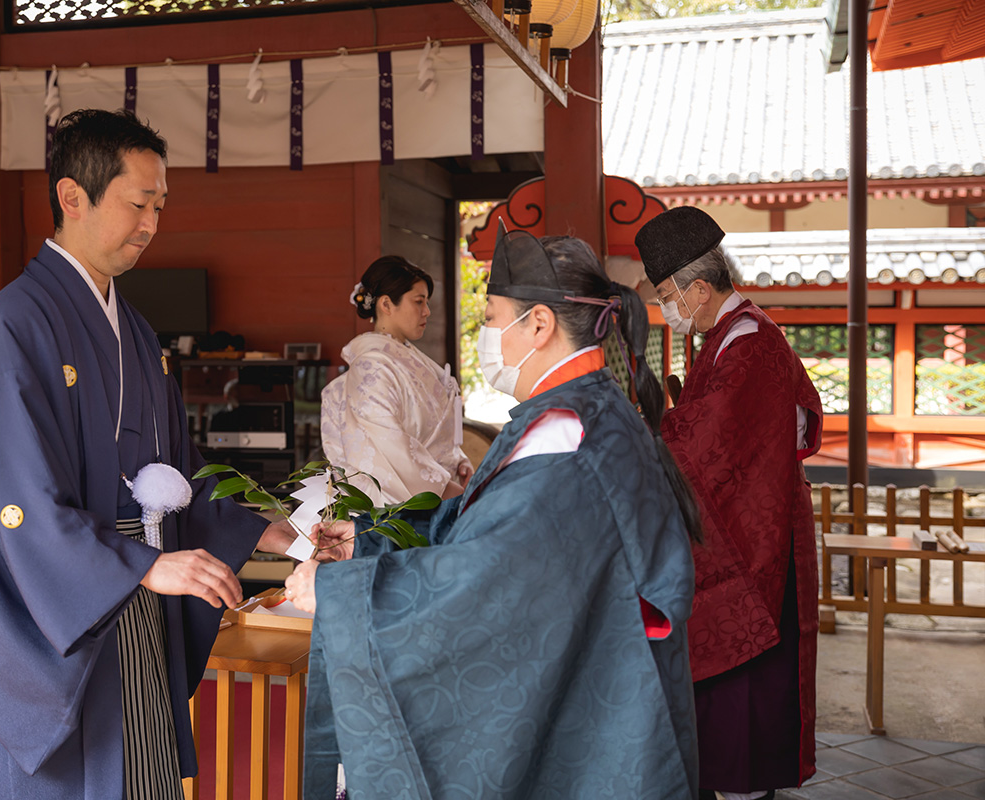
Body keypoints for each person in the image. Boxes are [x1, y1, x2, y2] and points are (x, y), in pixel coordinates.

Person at [0, 108, 297, 800]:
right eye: (138, 203)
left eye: (159, 206)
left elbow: (181, 472)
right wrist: (141, 565)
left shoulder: (135, 331)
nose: (151, 224)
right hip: (66, 613)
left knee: (139, 774)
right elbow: (17, 505)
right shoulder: (11, 327)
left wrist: (270, 526)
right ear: (73, 197)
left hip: (134, 596)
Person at [287, 230, 704, 799]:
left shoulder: (565, 435)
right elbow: (484, 526)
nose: (485, 334)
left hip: (600, 702)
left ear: (538, 325)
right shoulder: (585, 410)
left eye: (491, 316)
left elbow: (484, 580)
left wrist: (342, 592)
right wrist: (370, 541)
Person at [635, 206, 823, 800]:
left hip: (754, 544)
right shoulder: (732, 334)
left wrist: (639, 443)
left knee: (744, 682)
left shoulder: (747, 345)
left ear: (696, 287)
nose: (666, 308)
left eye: (667, 294)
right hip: (748, 526)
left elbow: (703, 445)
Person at [321, 257, 472, 504]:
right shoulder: (372, 366)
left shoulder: (411, 360)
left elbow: (431, 428)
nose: (427, 311)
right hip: (409, 500)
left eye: (427, 302)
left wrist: (458, 460)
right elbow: (387, 444)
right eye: (419, 302)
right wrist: (442, 488)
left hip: (446, 485)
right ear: (387, 305)